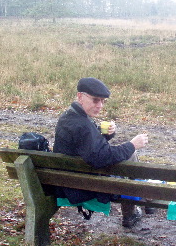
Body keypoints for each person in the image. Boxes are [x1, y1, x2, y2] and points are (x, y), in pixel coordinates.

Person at [53, 77, 149, 228]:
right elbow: (101, 157)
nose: (100, 105)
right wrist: (132, 144)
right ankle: (135, 208)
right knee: (130, 155)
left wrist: (106, 135)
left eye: (103, 101)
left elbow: (85, 146)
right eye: (95, 100)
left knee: (127, 155)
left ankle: (142, 200)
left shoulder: (69, 117)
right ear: (80, 96)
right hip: (84, 187)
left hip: (70, 181)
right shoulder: (82, 124)